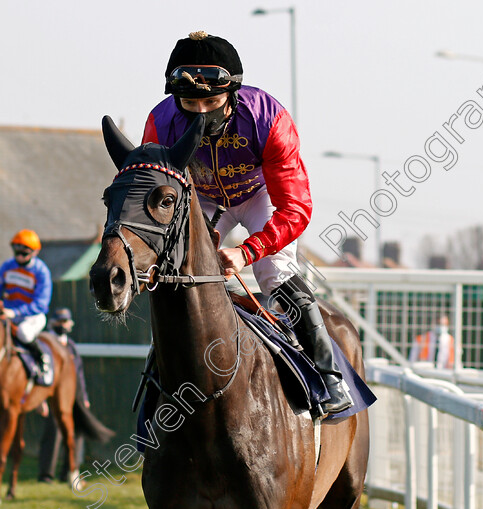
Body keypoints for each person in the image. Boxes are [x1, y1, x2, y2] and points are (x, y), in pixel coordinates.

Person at [142, 31, 352, 414]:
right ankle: (156, 384)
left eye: (211, 101)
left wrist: (246, 252)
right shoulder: (160, 122)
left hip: (259, 195)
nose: (201, 114)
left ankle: (328, 376)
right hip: (200, 196)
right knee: (174, 269)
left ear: (232, 94)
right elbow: (159, 195)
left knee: (274, 272)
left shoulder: (268, 118)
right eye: (190, 103)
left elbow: (295, 210)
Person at [38, 308, 115, 483]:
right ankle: (46, 474)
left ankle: (69, 471)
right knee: (54, 431)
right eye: (60, 321)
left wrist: (84, 397)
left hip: (75, 395)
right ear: (53, 323)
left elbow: (78, 373)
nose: (63, 325)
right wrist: (41, 399)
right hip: (54, 394)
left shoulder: (71, 345)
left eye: (66, 321)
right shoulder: (46, 345)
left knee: (77, 433)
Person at [0, 229, 53, 375]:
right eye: (17, 252)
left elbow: (41, 304)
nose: (19, 256)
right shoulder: (7, 266)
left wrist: (15, 312)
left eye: (24, 253)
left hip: (32, 316)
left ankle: (41, 357)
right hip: (7, 314)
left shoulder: (41, 271)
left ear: (34, 252)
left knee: (24, 334)